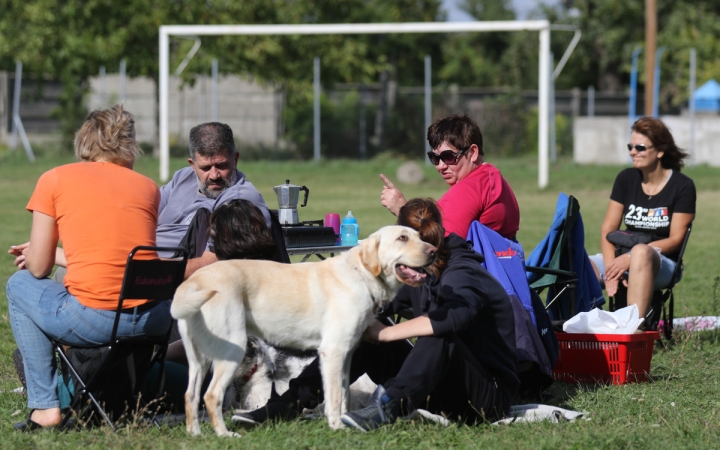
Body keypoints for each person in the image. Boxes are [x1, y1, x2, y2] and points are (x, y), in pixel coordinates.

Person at [233, 198, 519, 430]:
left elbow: (457, 315)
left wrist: (386, 332)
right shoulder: (415, 274)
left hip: (487, 397)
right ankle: (288, 404)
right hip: (441, 386)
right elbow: (374, 307)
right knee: (358, 334)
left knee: (439, 334)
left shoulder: (462, 271)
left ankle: (386, 407)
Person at [5, 105, 170, 431]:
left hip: (97, 320)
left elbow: (37, 268)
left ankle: (44, 406)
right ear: (129, 144)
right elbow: (123, 256)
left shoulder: (54, 179)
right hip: (155, 318)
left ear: (85, 140)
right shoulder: (149, 187)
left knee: (19, 285)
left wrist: (47, 253)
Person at [589, 117, 696, 319]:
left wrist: (631, 257)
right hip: (621, 256)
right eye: (630, 146)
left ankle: (634, 334)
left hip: (662, 263)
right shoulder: (626, 179)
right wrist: (612, 269)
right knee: (581, 263)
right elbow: (607, 230)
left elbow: (676, 240)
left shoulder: (683, 186)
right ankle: (585, 330)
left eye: (640, 147)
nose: (632, 152)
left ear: (660, 151)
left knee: (640, 252)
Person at [155, 122, 271, 278]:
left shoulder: (241, 202)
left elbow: (214, 264)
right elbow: (145, 215)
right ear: (192, 164)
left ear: (235, 159)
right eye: (205, 168)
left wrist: (150, 270)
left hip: (182, 285)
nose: (214, 175)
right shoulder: (182, 178)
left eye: (221, 166)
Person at [380, 114, 520, 240]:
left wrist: (402, 210)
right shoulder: (494, 178)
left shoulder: (469, 189)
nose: (440, 166)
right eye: (434, 158)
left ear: (473, 152)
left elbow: (438, 245)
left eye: (448, 157)